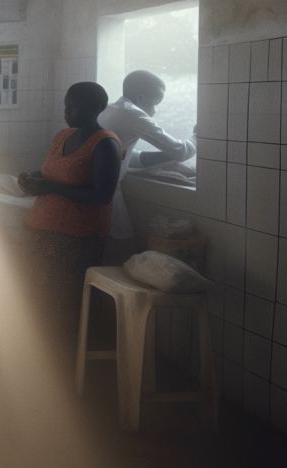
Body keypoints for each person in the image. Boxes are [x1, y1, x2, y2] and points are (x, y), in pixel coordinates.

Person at [19, 81, 121, 342]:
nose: (66, 112)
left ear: (94, 109)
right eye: (66, 106)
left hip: (76, 238)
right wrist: (31, 178)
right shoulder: (62, 136)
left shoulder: (105, 144)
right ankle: (35, 347)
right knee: (35, 294)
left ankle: (60, 353)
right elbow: (51, 172)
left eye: (73, 107)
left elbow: (102, 195)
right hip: (41, 229)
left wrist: (51, 187)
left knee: (61, 299)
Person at [98, 70, 197, 239]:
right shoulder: (132, 113)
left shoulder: (111, 109)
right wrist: (198, 135)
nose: (155, 111)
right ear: (140, 98)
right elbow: (181, 151)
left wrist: (167, 156)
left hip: (96, 188)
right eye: (155, 103)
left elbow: (128, 157)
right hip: (103, 191)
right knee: (118, 244)